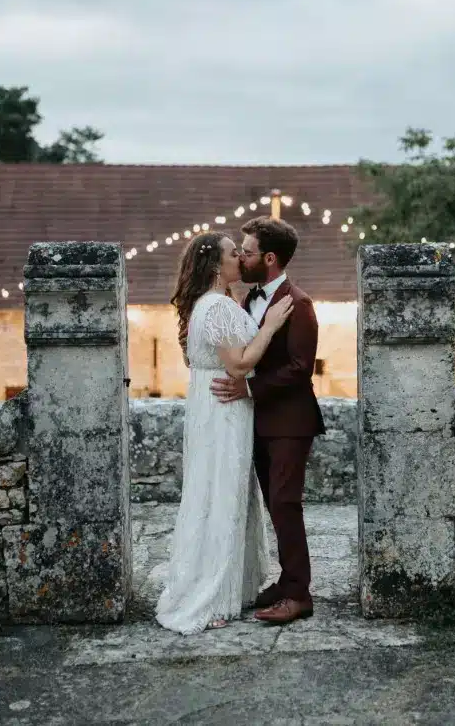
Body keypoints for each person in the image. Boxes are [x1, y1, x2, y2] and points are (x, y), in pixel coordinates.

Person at [155, 230, 294, 635]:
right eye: (234, 253)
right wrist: (268, 327)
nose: (241, 258)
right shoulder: (216, 307)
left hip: (214, 405)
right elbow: (238, 364)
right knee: (220, 493)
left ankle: (235, 582)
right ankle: (211, 594)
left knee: (220, 490)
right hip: (223, 409)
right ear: (217, 265)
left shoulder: (210, 304)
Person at [211, 216, 326, 626]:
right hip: (260, 422)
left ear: (270, 258)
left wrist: (249, 390)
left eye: (248, 251)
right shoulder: (250, 299)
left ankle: (298, 595)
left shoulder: (300, 303)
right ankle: (286, 579)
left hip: (291, 422)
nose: (242, 256)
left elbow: (299, 369)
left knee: (285, 504)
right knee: (274, 507)